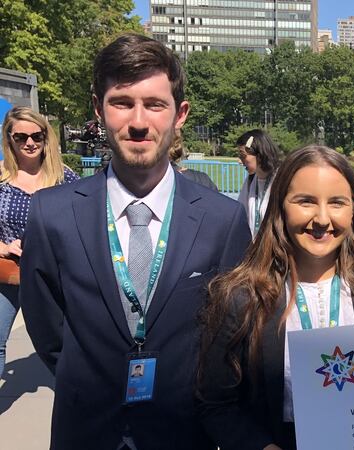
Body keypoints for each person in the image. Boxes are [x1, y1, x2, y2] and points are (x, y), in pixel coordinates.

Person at [19, 34, 251, 450]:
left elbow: (228, 337)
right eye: (122, 102)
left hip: (182, 434)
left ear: (180, 114)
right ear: (98, 108)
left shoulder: (223, 219)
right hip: (85, 430)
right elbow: (48, 330)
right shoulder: (51, 214)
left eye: (155, 104)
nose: (139, 121)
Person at [197, 145, 354, 450]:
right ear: (281, 207)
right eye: (305, 201)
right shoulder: (241, 297)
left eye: (337, 202)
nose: (322, 219)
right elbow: (215, 403)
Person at [0, 106, 79, 378]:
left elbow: (83, 220)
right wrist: (5, 247)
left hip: (56, 275)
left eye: (37, 135)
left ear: (47, 137)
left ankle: (73, 395)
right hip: (10, 274)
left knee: (69, 340)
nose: (30, 143)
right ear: (9, 138)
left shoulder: (64, 177)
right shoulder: (1, 179)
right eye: (21, 137)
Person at [236, 129, 280, 238]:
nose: (239, 161)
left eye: (243, 155)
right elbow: (240, 215)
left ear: (259, 155)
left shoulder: (280, 180)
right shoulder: (250, 181)